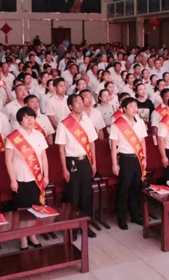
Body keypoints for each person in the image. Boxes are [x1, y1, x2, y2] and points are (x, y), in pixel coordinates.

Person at [5, 107, 49, 250]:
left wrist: (46, 176)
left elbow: (44, 157)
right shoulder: (13, 137)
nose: (30, 120)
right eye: (26, 117)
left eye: (32, 117)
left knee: (35, 207)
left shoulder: (39, 135)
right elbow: (8, 160)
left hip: (36, 178)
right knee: (22, 209)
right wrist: (12, 180)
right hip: (20, 179)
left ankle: (33, 235)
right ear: (20, 120)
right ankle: (23, 237)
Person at [55, 94, 98, 239]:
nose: (80, 104)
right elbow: (61, 148)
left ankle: (85, 225)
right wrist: (64, 169)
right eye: (76, 102)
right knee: (73, 195)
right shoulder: (64, 124)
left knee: (86, 194)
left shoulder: (87, 121)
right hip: (71, 162)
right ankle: (73, 227)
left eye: (81, 101)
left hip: (86, 161)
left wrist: (94, 163)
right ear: (70, 106)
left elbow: (91, 143)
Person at [110, 97, 147, 230]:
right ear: (124, 108)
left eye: (136, 106)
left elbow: (142, 141)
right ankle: (121, 218)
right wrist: (115, 164)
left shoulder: (140, 122)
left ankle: (135, 215)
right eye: (131, 106)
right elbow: (113, 146)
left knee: (136, 188)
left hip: (138, 158)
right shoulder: (117, 124)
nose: (134, 109)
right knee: (124, 189)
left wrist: (144, 158)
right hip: (125, 159)